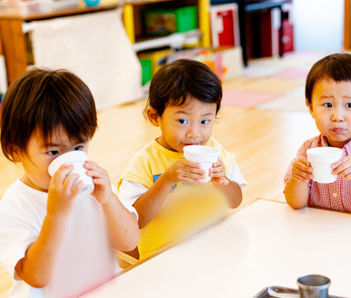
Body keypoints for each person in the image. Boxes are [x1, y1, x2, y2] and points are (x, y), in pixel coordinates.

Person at [0, 68, 139, 297]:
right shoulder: (13, 208)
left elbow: (129, 241)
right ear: (16, 151)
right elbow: (36, 276)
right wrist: (56, 215)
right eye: (53, 152)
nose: (67, 160)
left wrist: (109, 199)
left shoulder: (94, 187)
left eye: (78, 148)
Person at [118, 59, 247, 259]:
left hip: (214, 252)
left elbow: (235, 201)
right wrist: (166, 180)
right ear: (155, 117)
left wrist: (224, 182)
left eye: (205, 121)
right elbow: (135, 221)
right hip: (163, 259)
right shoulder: (144, 162)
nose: (194, 133)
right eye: (182, 121)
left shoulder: (215, 152)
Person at [284, 53, 351, 218]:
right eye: (327, 104)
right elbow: (295, 203)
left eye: (350, 105)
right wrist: (298, 178)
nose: (337, 116)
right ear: (310, 107)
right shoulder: (308, 149)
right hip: (317, 231)